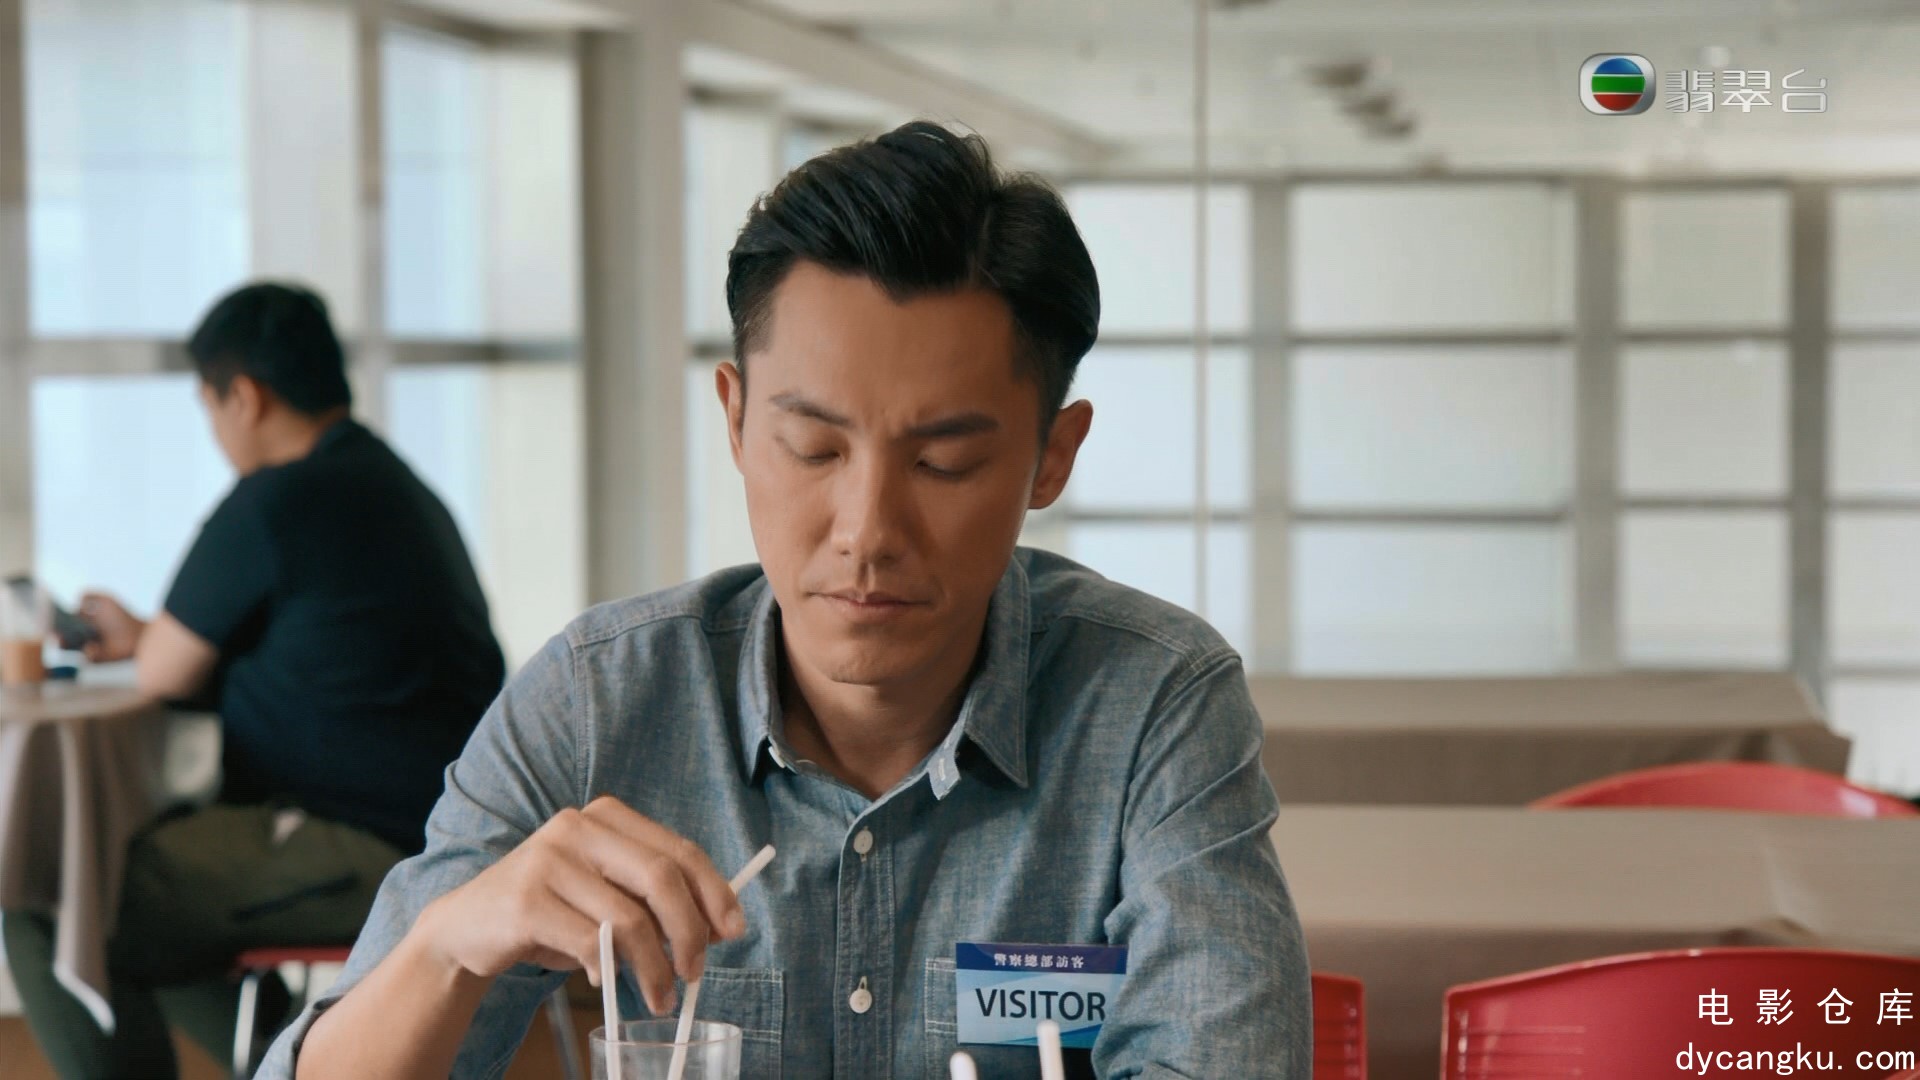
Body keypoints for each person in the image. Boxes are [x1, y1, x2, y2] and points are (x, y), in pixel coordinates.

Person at [269, 121, 1310, 1080]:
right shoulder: (597, 701)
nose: (867, 529)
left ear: (1052, 455)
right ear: (735, 420)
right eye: (813, 448)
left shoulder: (1153, 704)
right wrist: (449, 949)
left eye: (943, 462)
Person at [3, 283, 507, 1079]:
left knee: (55, 897)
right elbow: (314, 640)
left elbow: (165, 670)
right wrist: (150, 634)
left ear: (243, 396)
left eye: (209, 407)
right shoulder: (394, 486)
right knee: (160, 893)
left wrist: (144, 641)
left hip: (372, 847)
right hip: (458, 830)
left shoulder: (274, 500)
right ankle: (291, 1064)